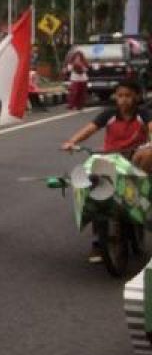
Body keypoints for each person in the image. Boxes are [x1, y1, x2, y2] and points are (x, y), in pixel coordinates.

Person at [61, 79, 152, 262]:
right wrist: (72, 141)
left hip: (134, 159)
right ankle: (97, 243)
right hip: (110, 159)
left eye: (128, 96)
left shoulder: (143, 114)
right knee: (95, 192)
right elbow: (89, 130)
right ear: (115, 97)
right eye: (120, 96)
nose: (124, 100)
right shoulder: (109, 114)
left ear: (136, 97)